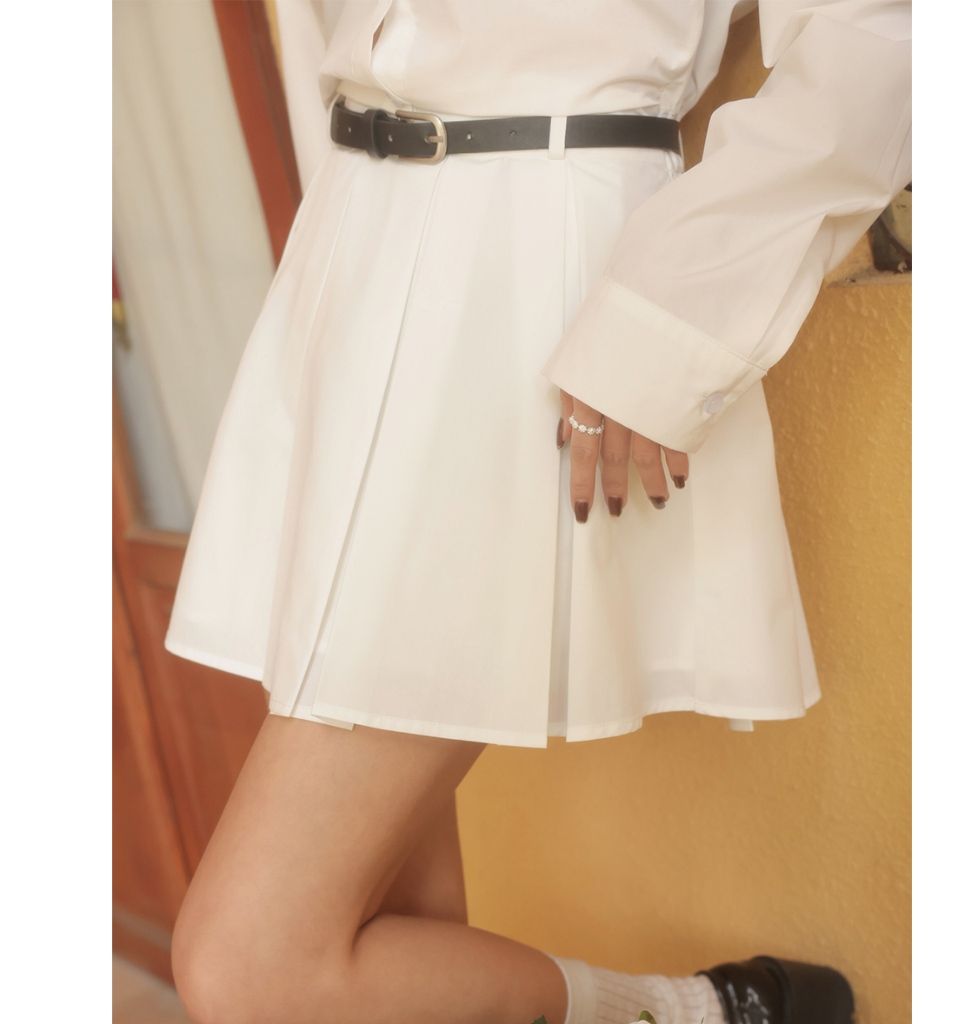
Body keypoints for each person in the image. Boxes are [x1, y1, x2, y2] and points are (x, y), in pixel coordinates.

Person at [164, 2, 911, 1022]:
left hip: (531, 281)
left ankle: (691, 1013)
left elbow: (878, 39)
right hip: (352, 252)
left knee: (254, 966)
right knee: (385, 921)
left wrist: (674, 316)